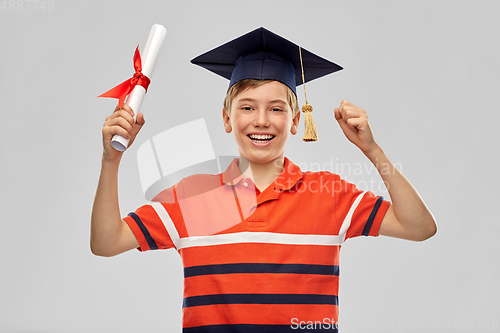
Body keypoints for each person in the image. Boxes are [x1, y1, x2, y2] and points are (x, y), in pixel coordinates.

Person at [91, 27, 436, 332]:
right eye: (246, 107)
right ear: (226, 118)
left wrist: (372, 149)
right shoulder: (190, 198)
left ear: (296, 121)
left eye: (276, 108)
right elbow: (106, 243)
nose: (261, 120)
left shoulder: (330, 195)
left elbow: (419, 227)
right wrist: (112, 159)